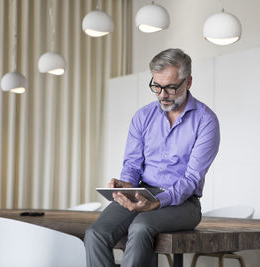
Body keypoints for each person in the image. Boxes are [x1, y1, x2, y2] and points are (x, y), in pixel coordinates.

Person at [84, 48, 220, 267]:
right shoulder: (143, 116)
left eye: (170, 87)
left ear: (188, 82)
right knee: (95, 234)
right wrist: (126, 185)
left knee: (140, 227)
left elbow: (191, 180)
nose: (162, 95)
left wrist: (156, 203)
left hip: (185, 203)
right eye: (156, 86)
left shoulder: (206, 121)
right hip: (142, 192)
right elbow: (132, 165)